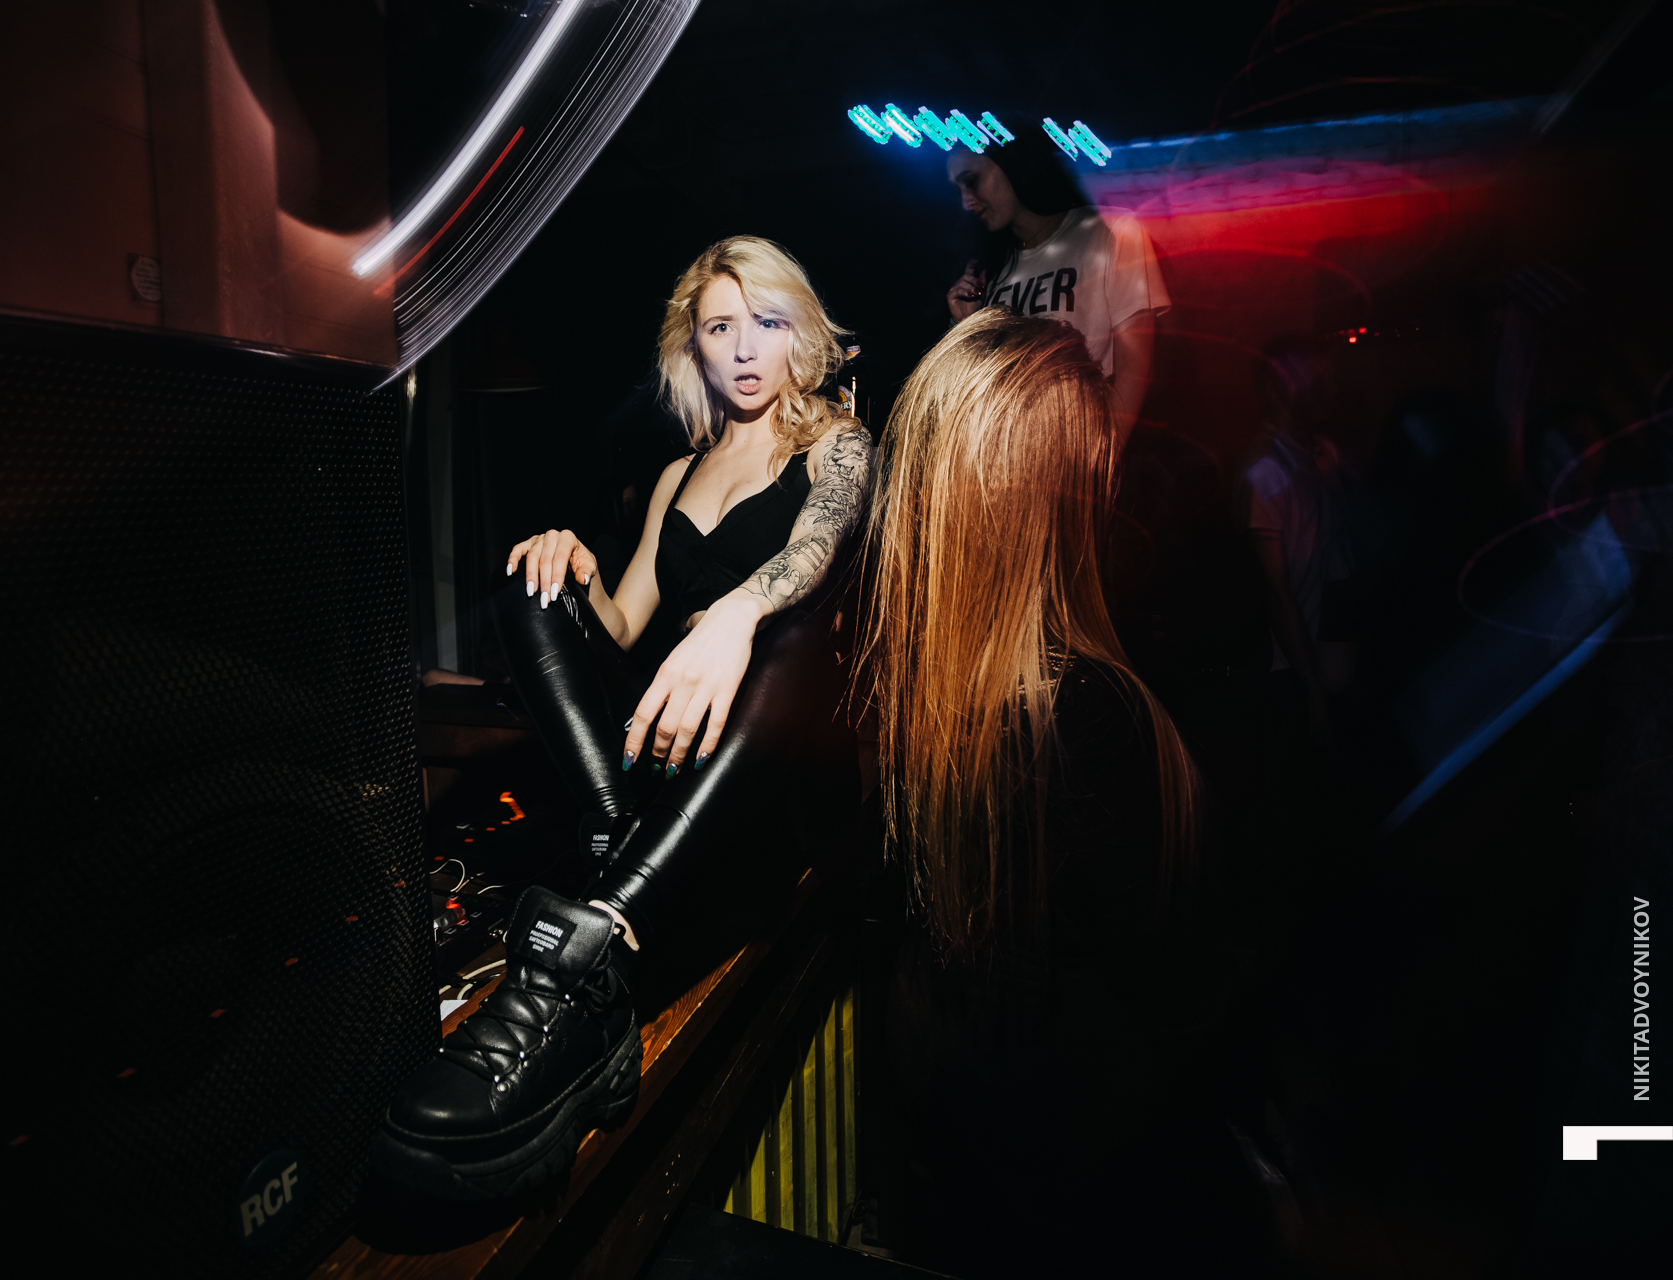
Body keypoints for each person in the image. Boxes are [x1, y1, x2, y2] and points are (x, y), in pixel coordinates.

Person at [374, 237, 869, 1201]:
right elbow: (621, 625)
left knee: (797, 642)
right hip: (666, 782)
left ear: (801, 333)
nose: (744, 349)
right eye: (719, 327)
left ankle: (603, 912)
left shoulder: (837, 446)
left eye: (766, 322)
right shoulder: (678, 476)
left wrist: (734, 615)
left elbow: (816, 549)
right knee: (534, 587)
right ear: (693, 347)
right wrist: (574, 567)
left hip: (773, 781)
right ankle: (615, 847)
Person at [861, 312, 1260, 1274]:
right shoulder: (1083, 714)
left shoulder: (925, 698)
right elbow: (1185, 992)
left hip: (1004, 1173)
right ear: (1068, 495)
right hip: (1071, 1188)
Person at [944, 128, 1170, 451]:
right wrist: (964, 326)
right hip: (1005, 459)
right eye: (958, 189)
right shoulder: (987, 268)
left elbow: (1135, 368)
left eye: (972, 181)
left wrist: (1102, 460)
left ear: (1010, 162)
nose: (967, 201)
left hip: (1079, 457)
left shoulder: (1113, 232)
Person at [1234, 338, 1358, 748]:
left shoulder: (1317, 455)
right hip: (1292, 678)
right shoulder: (1265, 471)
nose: (1331, 391)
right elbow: (1276, 594)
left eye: (1331, 380)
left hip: (1328, 666)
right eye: (1316, 380)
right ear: (1279, 387)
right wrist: (1313, 695)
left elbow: (1344, 556)